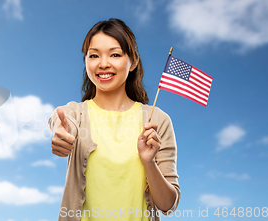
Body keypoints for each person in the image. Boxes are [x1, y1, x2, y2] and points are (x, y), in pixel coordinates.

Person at [49, 18, 180, 221]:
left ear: (133, 61)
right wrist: (62, 130)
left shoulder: (157, 120)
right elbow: (63, 121)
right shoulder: (77, 113)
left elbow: (167, 206)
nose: (103, 64)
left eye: (115, 54)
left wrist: (149, 163)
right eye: (94, 55)